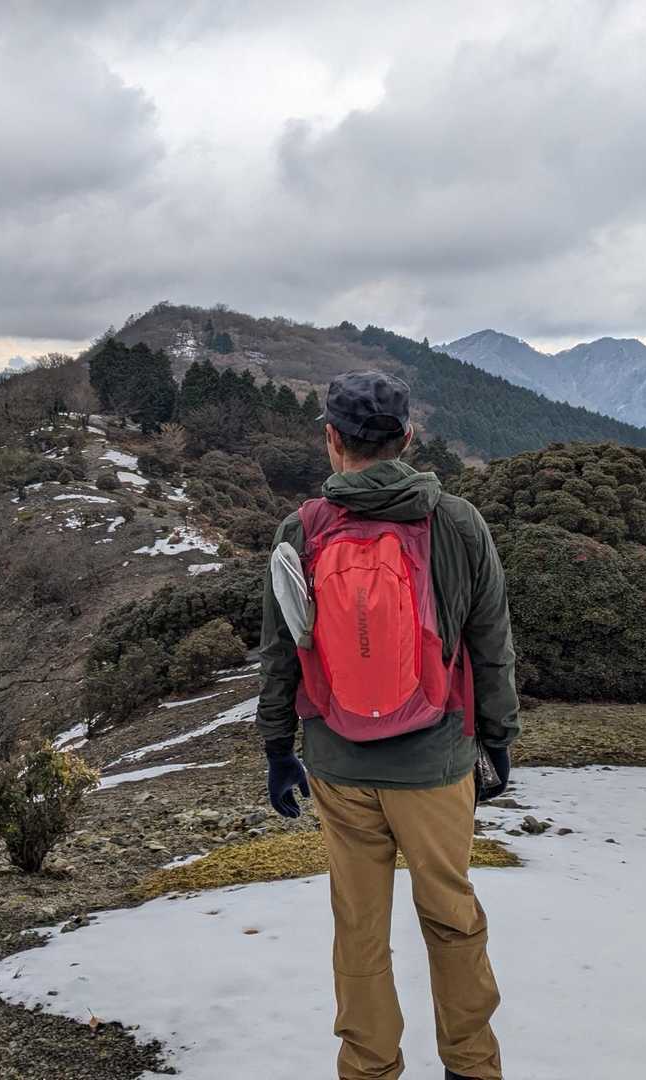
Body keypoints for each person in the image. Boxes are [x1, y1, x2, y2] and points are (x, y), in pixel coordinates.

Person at [257, 370, 520, 1080]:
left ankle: (369, 1068)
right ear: (407, 439)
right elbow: (491, 644)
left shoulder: (302, 530)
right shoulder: (457, 523)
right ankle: (471, 1066)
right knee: (451, 917)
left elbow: (280, 653)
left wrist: (278, 749)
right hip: (436, 763)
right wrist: (497, 740)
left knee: (359, 928)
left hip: (339, 765)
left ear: (332, 440)